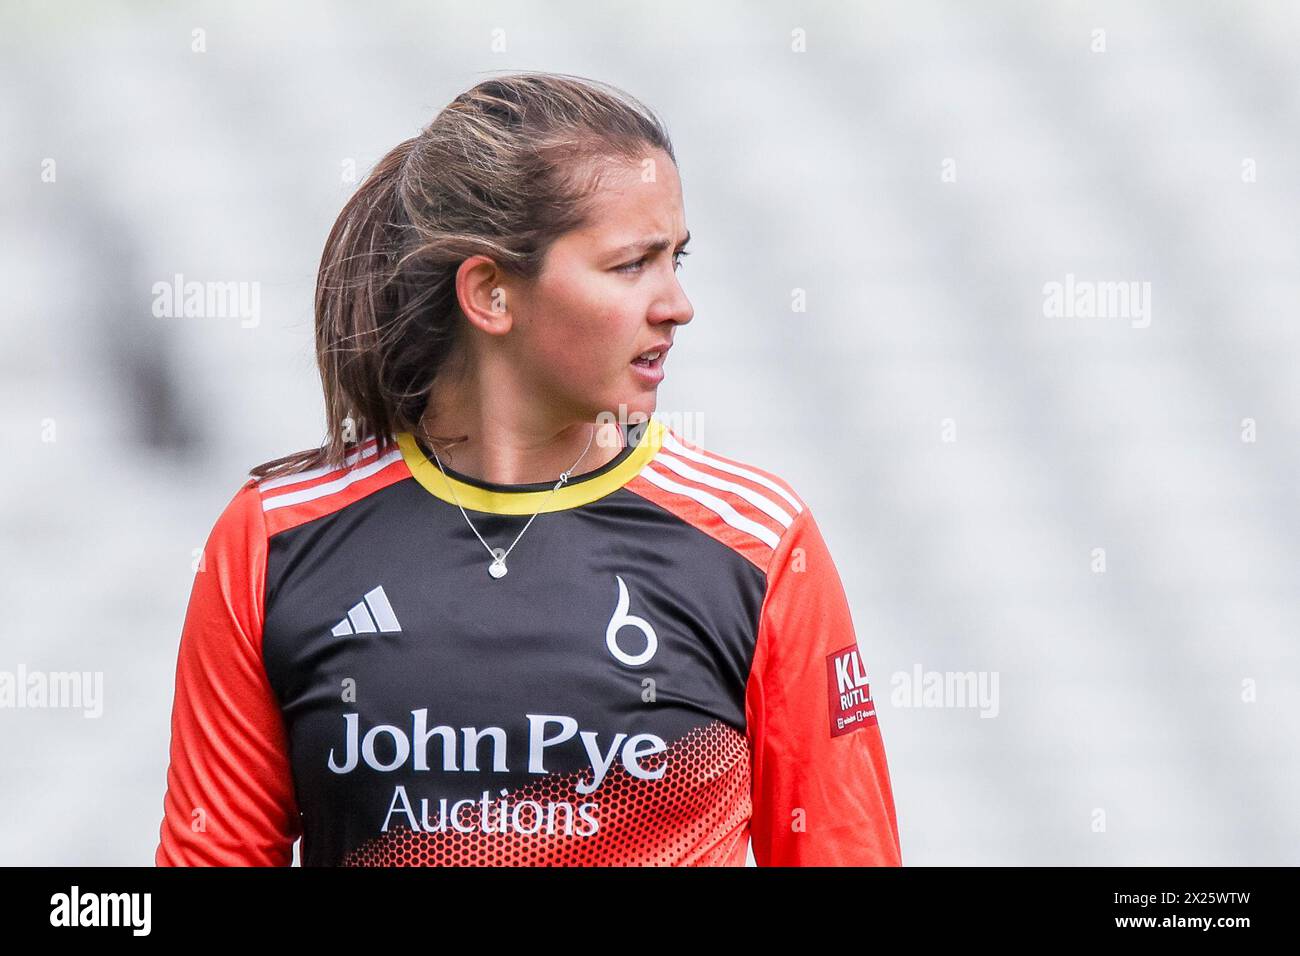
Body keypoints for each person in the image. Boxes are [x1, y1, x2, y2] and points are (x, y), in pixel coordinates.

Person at [154, 71, 901, 867]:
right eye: (630, 265)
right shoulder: (275, 539)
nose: (677, 304)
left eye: (676, 260)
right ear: (492, 294)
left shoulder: (755, 542)